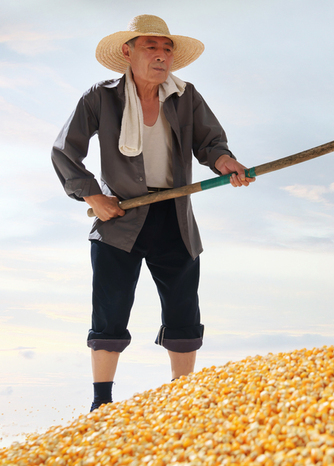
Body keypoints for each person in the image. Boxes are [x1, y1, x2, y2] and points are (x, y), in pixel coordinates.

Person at [51, 14, 254, 411]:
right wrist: (94, 197)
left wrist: (225, 161)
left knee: (183, 306)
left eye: (167, 49)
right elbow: (64, 151)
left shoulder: (186, 95)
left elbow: (210, 141)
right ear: (128, 51)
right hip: (119, 217)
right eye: (151, 47)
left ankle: (183, 399)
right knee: (109, 308)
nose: (162, 56)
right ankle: (101, 404)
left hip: (174, 214)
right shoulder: (101, 97)